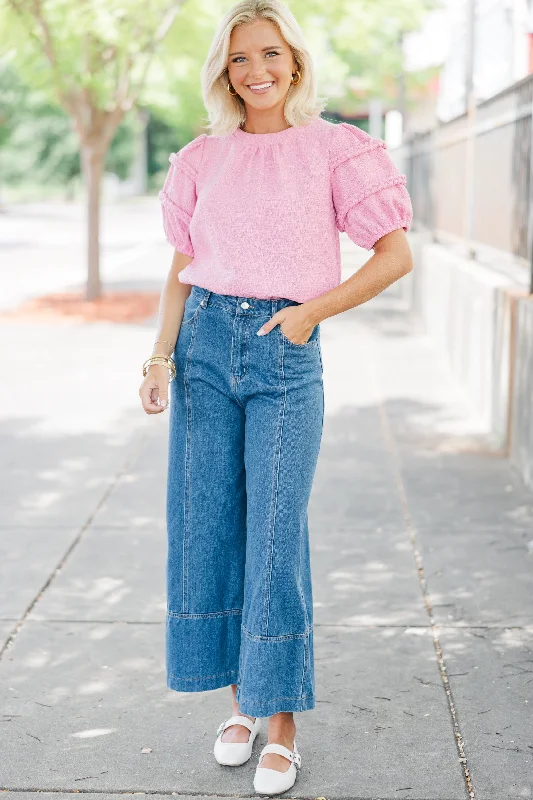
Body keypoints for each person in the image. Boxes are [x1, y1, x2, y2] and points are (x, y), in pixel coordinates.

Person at [138, 0, 413, 794]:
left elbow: (393, 255)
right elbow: (181, 268)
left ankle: (282, 720)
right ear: (223, 72)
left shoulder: (336, 149)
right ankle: (239, 704)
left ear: (293, 59)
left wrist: (308, 315)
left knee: (273, 531)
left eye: (268, 53)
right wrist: (158, 358)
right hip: (203, 349)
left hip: (283, 353)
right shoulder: (200, 158)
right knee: (206, 525)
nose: (255, 71)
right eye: (238, 59)